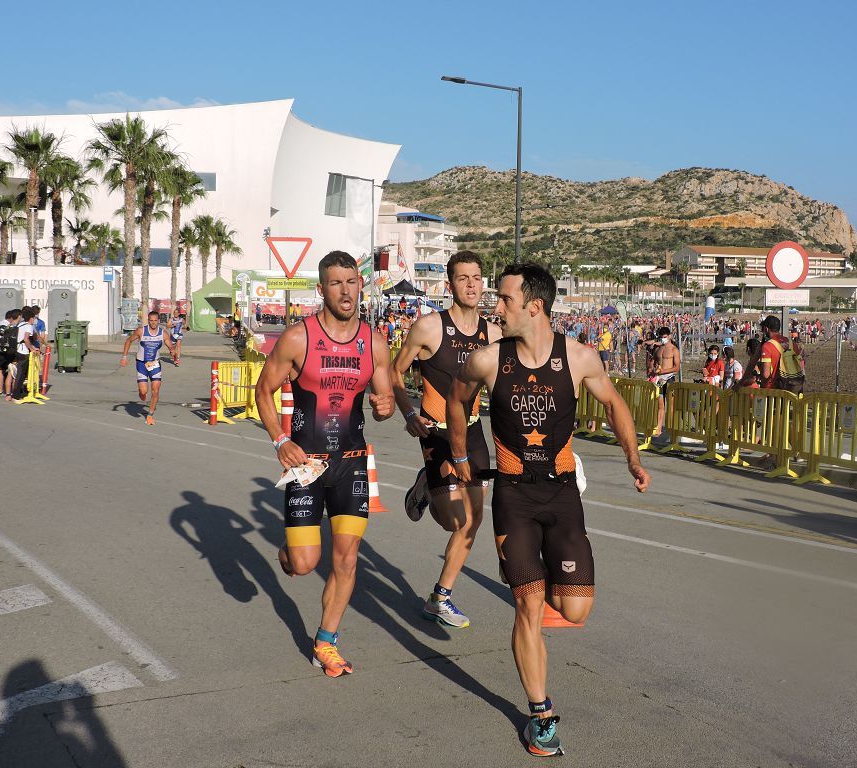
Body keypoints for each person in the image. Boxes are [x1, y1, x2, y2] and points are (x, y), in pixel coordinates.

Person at [447, 263, 650, 757]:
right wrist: (458, 456)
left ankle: (555, 577)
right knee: (528, 604)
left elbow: (614, 403)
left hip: (562, 496)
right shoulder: (488, 361)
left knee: (574, 608)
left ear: (533, 307)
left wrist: (633, 458)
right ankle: (541, 714)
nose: (496, 307)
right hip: (513, 496)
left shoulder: (579, 358)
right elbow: (457, 399)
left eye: (505, 300)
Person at [254, 250, 395, 677]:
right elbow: (262, 391)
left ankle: (326, 641)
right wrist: (280, 439)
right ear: (322, 289)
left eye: (351, 282)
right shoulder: (299, 338)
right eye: (336, 283)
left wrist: (385, 406)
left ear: (360, 285)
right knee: (304, 564)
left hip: (351, 464)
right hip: (306, 465)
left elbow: (384, 399)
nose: (346, 290)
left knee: (347, 559)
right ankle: (288, 553)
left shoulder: (374, 341)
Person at [392, 251, 502, 629]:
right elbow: (394, 372)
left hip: (472, 432)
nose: (471, 284)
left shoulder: (494, 333)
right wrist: (408, 413)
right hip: (436, 433)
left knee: (472, 523)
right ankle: (426, 486)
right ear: (449, 284)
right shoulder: (429, 328)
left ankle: (440, 597)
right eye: (463, 278)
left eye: (476, 277)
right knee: (454, 520)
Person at [120, 310, 176, 425]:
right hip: (141, 364)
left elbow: (169, 344)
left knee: (155, 390)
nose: (153, 323)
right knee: (143, 391)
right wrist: (124, 357)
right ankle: (142, 393)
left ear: (159, 321)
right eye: (151, 321)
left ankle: (150, 415)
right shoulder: (141, 331)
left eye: (155, 321)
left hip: (155, 364)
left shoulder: (163, 333)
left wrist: (172, 350)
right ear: (148, 321)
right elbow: (128, 341)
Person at [649, 327, 680, 436]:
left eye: (665, 337)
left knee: (670, 404)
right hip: (659, 379)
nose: (663, 339)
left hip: (669, 378)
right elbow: (653, 360)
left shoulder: (674, 350)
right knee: (660, 404)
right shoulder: (659, 349)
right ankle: (658, 428)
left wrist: (664, 371)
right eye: (661, 337)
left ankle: (670, 428)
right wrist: (651, 369)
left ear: (670, 336)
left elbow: (677, 368)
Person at [11, 307, 40, 401]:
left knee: (22, 373)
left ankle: (19, 392)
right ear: (31, 318)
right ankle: (16, 395)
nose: (34, 320)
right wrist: (32, 349)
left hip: (17, 350)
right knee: (21, 374)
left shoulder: (21, 324)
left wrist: (32, 347)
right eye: (34, 318)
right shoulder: (28, 326)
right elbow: (26, 338)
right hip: (23, 352)